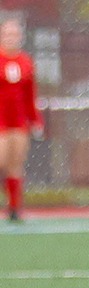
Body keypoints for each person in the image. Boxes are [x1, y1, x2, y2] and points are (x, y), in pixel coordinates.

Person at [0, 16, 43, 223]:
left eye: (15, 34)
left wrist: (36, 120)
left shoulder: (25, 62)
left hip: (18, 121)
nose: (11, 38)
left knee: (15, 164)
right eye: (7, 34)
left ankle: (14, 208)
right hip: (0, 121)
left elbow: (30, 95)